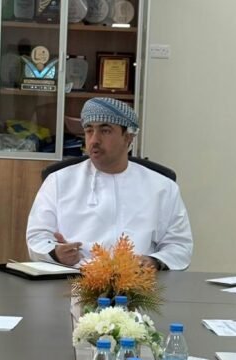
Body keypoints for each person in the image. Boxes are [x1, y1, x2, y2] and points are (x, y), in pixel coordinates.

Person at [26, 97, 193, 270]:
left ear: (128, 137)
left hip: (136, 280)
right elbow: (37, 237)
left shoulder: (162, 187)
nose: (94, 140)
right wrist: (55, 253)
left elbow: (179, 245)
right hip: (74, 277)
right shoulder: (59, 181)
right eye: (89, 131)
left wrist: (154, 261)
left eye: (105, 131)